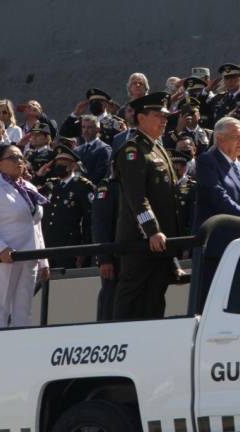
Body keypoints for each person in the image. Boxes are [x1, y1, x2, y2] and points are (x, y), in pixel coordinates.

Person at [113, 92, 182, 320]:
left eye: (165, 116)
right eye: (157, 116)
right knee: (132, 298)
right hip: (141, 242)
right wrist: (152, 230)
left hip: (161, 243)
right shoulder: (133, 150)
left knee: (155, 299)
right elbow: (137, 198)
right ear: (141, 118)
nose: (164, 120)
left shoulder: (158, 148)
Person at [0, 144, 50, 328]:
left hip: (29, 255)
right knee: (0, 310)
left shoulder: (30, 187)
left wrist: (43, 260)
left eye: (21, 158)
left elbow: (36, 226)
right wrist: (0, 249)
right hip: (6, 257)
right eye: (13, 157)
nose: (18, 161)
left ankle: (21, 350)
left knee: (24, 310)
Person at [37, 145, 94, 269]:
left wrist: (84, 249)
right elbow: (31, 195)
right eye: (57, 162)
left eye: (64, 162)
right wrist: (39, 176)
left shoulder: (82, 186)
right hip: (48, 245)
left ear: (73, 165)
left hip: (70, 246)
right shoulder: (50, 184)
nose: (59, 165)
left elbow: (89, 220)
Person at [91, 170, 121, 321]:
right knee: (111, 298)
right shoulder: (108, 186)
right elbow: (100, 224)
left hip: (134, 255)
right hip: (114, 257)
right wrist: (104, 259)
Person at [73, 115, 112, 185]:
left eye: (89, 127)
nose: (85, 130)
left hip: (94, 190)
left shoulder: (104, 149)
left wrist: (84, 185)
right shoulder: (77, 150)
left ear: (98, 129)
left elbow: (101, 173)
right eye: (83, 127)